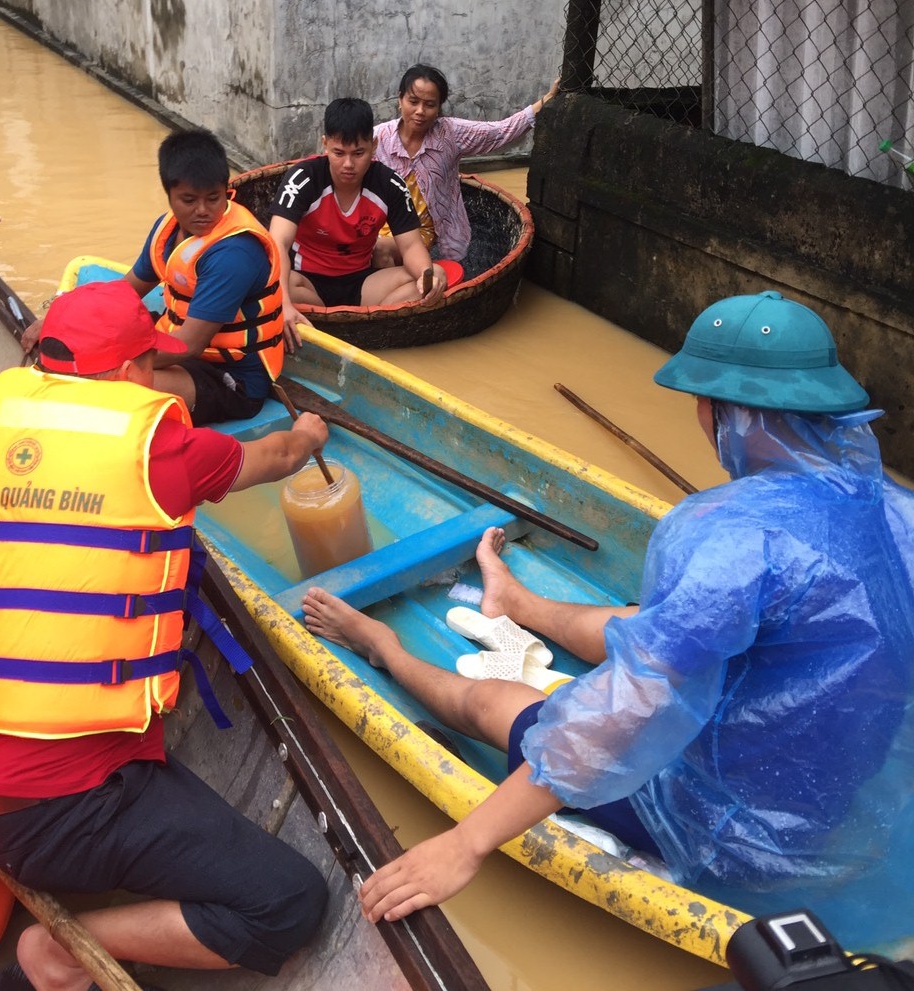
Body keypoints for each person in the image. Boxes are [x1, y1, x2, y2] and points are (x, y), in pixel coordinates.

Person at [301, 290, 914, 950]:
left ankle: (382, 645)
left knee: (496, 703)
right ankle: (515, 604)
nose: (700, 416)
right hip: (830, 799)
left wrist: (466, 842)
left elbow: (622, 716)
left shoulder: (729, 535)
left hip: (724, 826)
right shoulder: (897, 508)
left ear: (737, 414)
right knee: (648, 622)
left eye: (703, 402)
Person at [0, 280, 330, 990]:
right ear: (132, 372)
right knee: (289, 903)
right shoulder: (157, 446)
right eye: (152, 364)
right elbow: (274, 460)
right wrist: (307, 435)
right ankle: (58, 954)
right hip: (60, 808)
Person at [23, 128, 288, 427]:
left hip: (231, 374)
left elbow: (190, 345)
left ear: (225, 190)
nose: (203, 211)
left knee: (109, 389)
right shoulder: (167, 229)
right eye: (188, 200)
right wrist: (60, 324)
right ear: (169, 194)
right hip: (173, 344)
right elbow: (123, 293)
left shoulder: (234, 254)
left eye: (214, 198)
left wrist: (102, 363)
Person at [269, 98, 445, 342]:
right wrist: (284, 305)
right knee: (266, 283)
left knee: (434, 274)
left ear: (373, 146)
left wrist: (428, 276)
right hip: (307, 284)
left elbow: (412, 245)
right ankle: (368, 326)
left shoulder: (389, 184)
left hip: (362, 283)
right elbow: (278, 243)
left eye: (358, 153)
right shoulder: (302, 179)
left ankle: (367, 327)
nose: (348, 164)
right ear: (325, 145)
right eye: (338, 153)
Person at [372, 64, 559, 265]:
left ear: (439, 107)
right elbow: (343, 157)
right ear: (400, 100)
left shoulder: (450, 133)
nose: (420, 111)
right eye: (413, 101)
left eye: (429, 104)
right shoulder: (378, 138)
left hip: (427, 230)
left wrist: (545, 100)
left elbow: (500, 132)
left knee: (380, 251)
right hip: (384, 226)